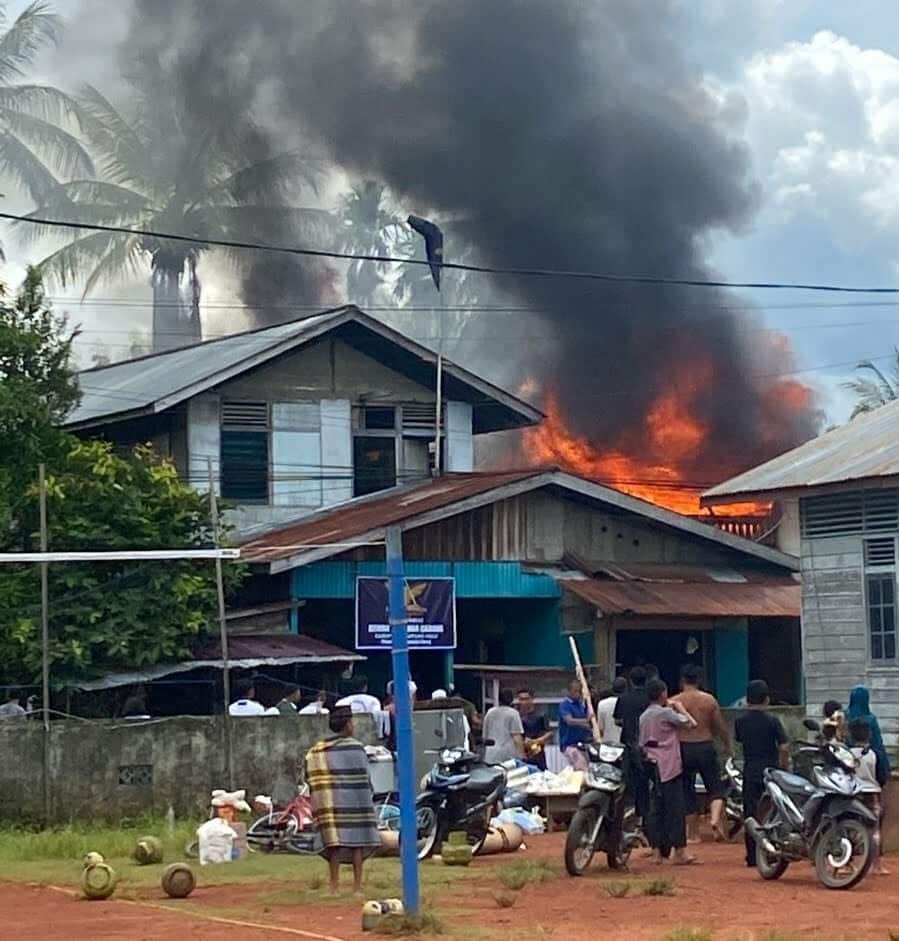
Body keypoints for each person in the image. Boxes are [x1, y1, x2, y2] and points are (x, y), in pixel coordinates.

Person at [304, 706, 381, 893]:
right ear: (347, 724)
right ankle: (357, 887)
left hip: (332, 803)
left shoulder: (318, 750)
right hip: (356, 801)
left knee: (334, 844)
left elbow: (310, 775)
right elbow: (365, 777)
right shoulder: (357, 748)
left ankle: (334, 887)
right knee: (357, 844)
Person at [639, 678, 698, 865]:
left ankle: (657, 852)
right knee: (675, 808)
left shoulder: (644, 716)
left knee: (656, 810)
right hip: (669, 766)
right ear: (663, 694)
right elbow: (691, 724)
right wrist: (679, 707)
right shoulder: (665, 713)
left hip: (651, 765)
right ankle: (679, 851)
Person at [671, 664, 731, 843]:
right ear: (699, 680)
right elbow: (719, 726)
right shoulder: (709, 700)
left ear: (682, 680)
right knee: (715, 787)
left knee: (687, 790)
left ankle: (693, 834)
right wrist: (727, 745)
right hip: (705, 745)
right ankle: (714, 819)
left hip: (683, 747)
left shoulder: (675, 701)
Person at [734, 679, 789, 867]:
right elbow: (783, 746)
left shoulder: (740, 721)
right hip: (770, 771)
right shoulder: (773, 721)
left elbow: (739, 741)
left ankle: (751, 855)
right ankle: (771, 852)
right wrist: (783, 767)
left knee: (750, 812)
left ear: (748, 700)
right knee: (773, 812)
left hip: (750, 769)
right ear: (766, 700)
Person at [848, 718, 889, 875]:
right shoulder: (874, 754)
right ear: (869, 735)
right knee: (874, 829)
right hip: (872, 794)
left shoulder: (848, 754)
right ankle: (876, 865)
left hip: (852, 794)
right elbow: (882, 776)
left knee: (850, 827)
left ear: (851, 735)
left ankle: (849, 863)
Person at [846, 686, 891, 787]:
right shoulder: (870, 719)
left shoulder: (845, 716)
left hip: (847, 758)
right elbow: (878, 743)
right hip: (869, 757)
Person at [482, 688, 524, 764]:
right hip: (508, 756)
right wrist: (522, 755)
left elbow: (485, 736)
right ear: (511, 700)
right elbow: (516, 737)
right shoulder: (513, 714)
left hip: (491, 755)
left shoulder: (490, 712)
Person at [559, 679, 592, 770]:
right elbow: (569, 721)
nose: (578, 694)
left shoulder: (581, 705)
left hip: (581, 744)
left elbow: (586, 724)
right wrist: (586, 720)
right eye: (575, 691)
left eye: (579, 691)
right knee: (581, 769)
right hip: (569, 744)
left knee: (588, 768)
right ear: (569, 691)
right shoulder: (565, 704)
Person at [516, 687, 552, 769]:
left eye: (526, 699)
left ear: (532, 699)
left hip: (537, 751)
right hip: (521, 753)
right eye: (521, 699)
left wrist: (538, 740)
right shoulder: (515, 716)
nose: (524, 702)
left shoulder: (541, 715)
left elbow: (549, 733)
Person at [613, 666, 650, 747]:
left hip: (629, 740)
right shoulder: (651, 698)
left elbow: (617, 720)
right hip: (648, 739)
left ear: (630, 681)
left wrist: (627, 723)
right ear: (646, 680)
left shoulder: (623, 698)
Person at [596, 677, 627, 745]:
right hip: (624, 745)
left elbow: (600, 728)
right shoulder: (629, 704)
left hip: (607, 744)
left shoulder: (602, 703)